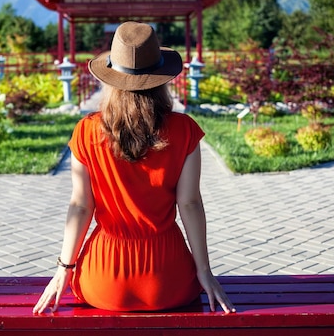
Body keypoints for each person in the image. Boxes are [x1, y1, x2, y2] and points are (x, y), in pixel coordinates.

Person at [33, 21, 234, 314]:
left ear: (111, 77)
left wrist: (64, 268)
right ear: (162, 77)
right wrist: (204, 271)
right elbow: (190, 203)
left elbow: (80, 206)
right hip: (168, 279)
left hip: (102, 281)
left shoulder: (87, 131)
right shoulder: (185, 130)